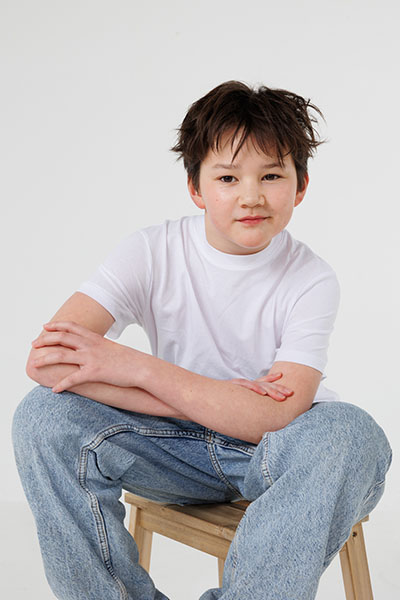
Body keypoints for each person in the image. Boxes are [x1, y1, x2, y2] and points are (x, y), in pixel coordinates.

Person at [13, 81, 392, 600]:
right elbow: (47, 363)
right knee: (42, 415)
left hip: (276, 456)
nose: (251, 196)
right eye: (228, 178)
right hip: (171, 449)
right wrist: (214, 401)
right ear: (196, 187)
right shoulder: (151, 251)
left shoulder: (312, 278)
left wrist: (139, 368)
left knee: (349, 432)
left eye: (272, 175)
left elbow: (275, 417)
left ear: (301, 186)